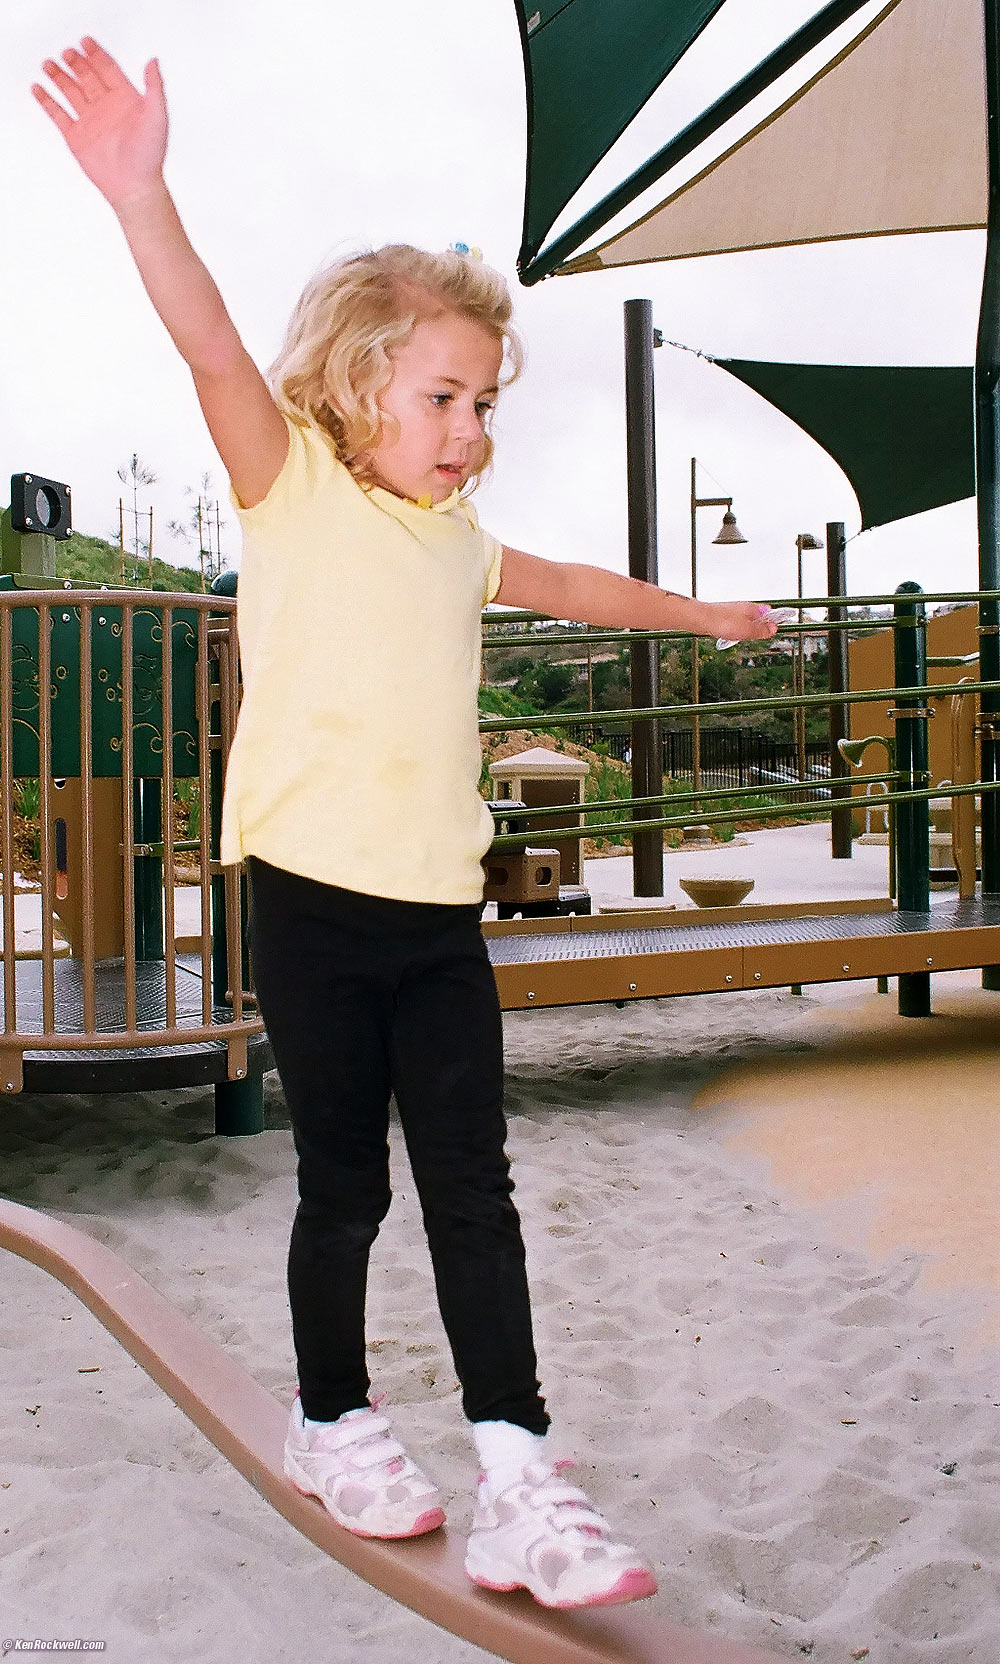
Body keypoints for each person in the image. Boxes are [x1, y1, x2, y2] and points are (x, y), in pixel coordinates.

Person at [33, 38, 777, 1611]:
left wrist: (708, 615)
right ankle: (333, 1420)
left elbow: (576, 585)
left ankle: (516, 1466)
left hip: (440, 915)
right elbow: (212, 348)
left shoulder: (463, 541)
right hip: (306, 904)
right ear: (358, 383)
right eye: (441, 396)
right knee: (344, 1187)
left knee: (472, 1183)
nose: (466, 429)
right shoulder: (289, 484)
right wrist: (140, 194)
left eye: (483, 404)